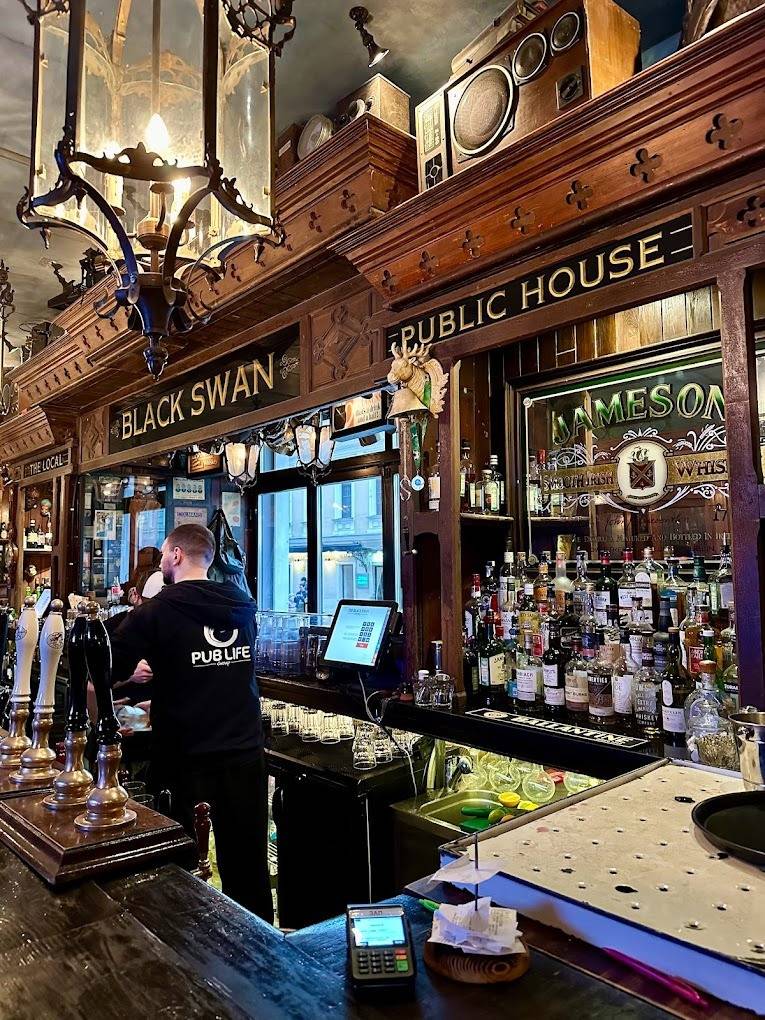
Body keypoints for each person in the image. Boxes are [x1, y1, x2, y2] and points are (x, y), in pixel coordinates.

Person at [109, 523, 271, 922]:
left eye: (165, 554)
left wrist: (127, 679)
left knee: (178, 868)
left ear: (177, 555)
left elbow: (106, 665)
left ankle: (183, 947)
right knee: (248, 866)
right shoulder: (243, 604)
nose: (163, 561)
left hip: (186, 756)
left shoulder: (157, 611)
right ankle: (260, 948)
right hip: (245, 752)